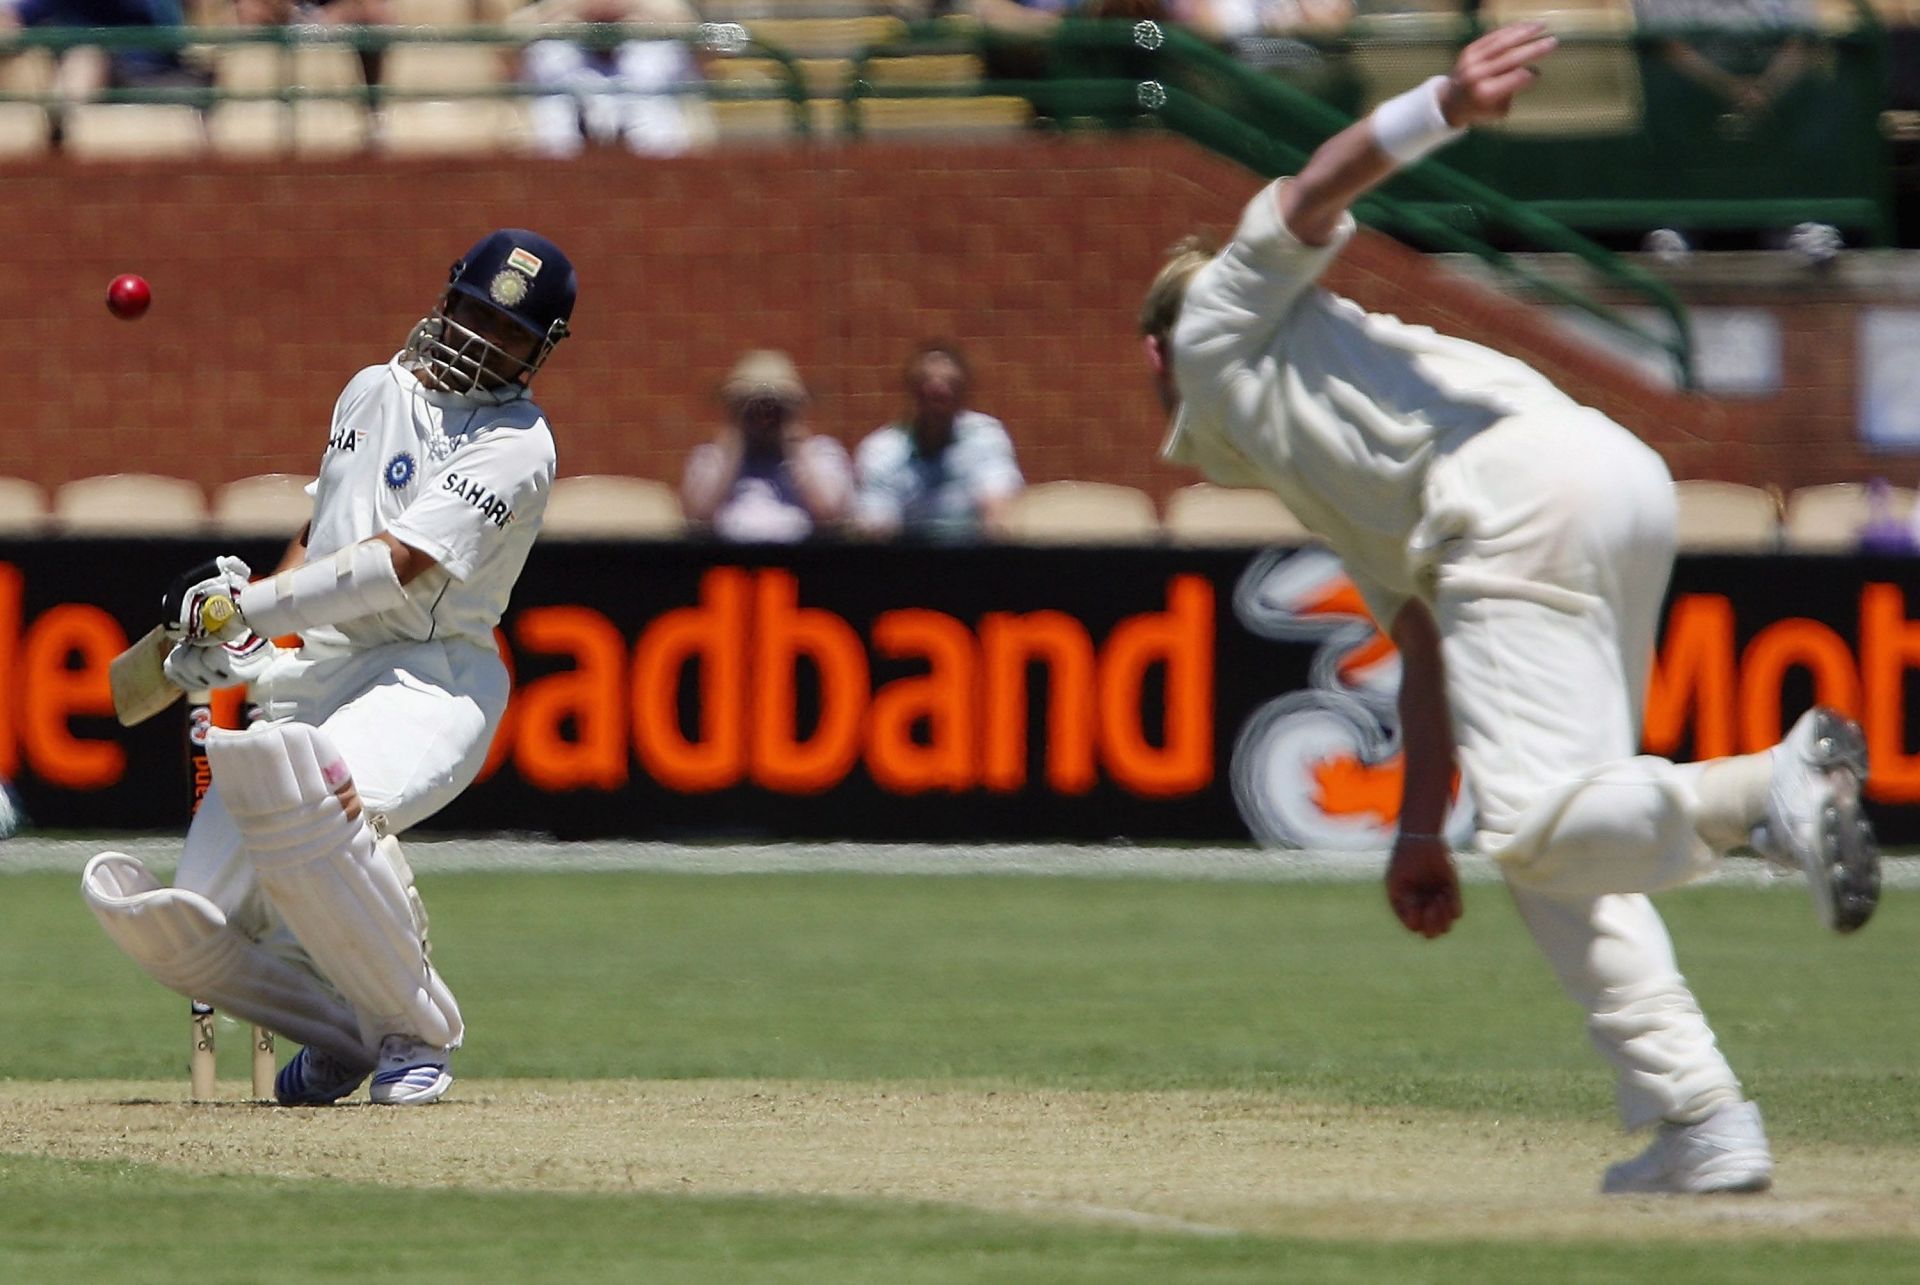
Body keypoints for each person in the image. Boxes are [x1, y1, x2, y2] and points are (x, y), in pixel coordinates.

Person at [1140, 23, 1879, 1195]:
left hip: (1511, 495)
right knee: (1560, 844)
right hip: (1605, 481)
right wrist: (1420, 828)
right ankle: (1700, 1117)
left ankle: (1759, 791)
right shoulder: (1317, 445)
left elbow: (1318, 186)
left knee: (1536, 828)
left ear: (1158, 342)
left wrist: (1441, 101)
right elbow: (1425, 647)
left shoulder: (1220, 321)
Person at [81, 229, 576, 1108]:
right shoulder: (370, 388)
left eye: (505, 331)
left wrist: (250, 610)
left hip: (428, 676)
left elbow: (395, 566)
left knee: (309, 796)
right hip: (318, 671)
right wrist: (240, 635)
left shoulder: (518, 443)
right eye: (471, 310)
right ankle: (342, 1029)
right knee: (193, 923)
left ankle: (415, 1028)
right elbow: (324, 538)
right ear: (445, 296)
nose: (476, 336)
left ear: (538, 351)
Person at [854, 341, 1024, 541]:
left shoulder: (985, 437)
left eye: (948, 390)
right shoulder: (882, 451)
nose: (938, 401)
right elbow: (877, 526)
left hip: (973, 559)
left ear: (963, 393)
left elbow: (997, 509)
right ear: (913, 392)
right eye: (930, 394)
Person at [680, 349, 853, 542]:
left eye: (773, 408)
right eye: (754, 409)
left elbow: (830, 512)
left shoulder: (820, 452)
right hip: (729, 562)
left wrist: (792, 434)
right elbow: (698, 516)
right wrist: (735, 436)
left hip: (801, 562)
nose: (764, 418)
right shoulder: (711, 456)